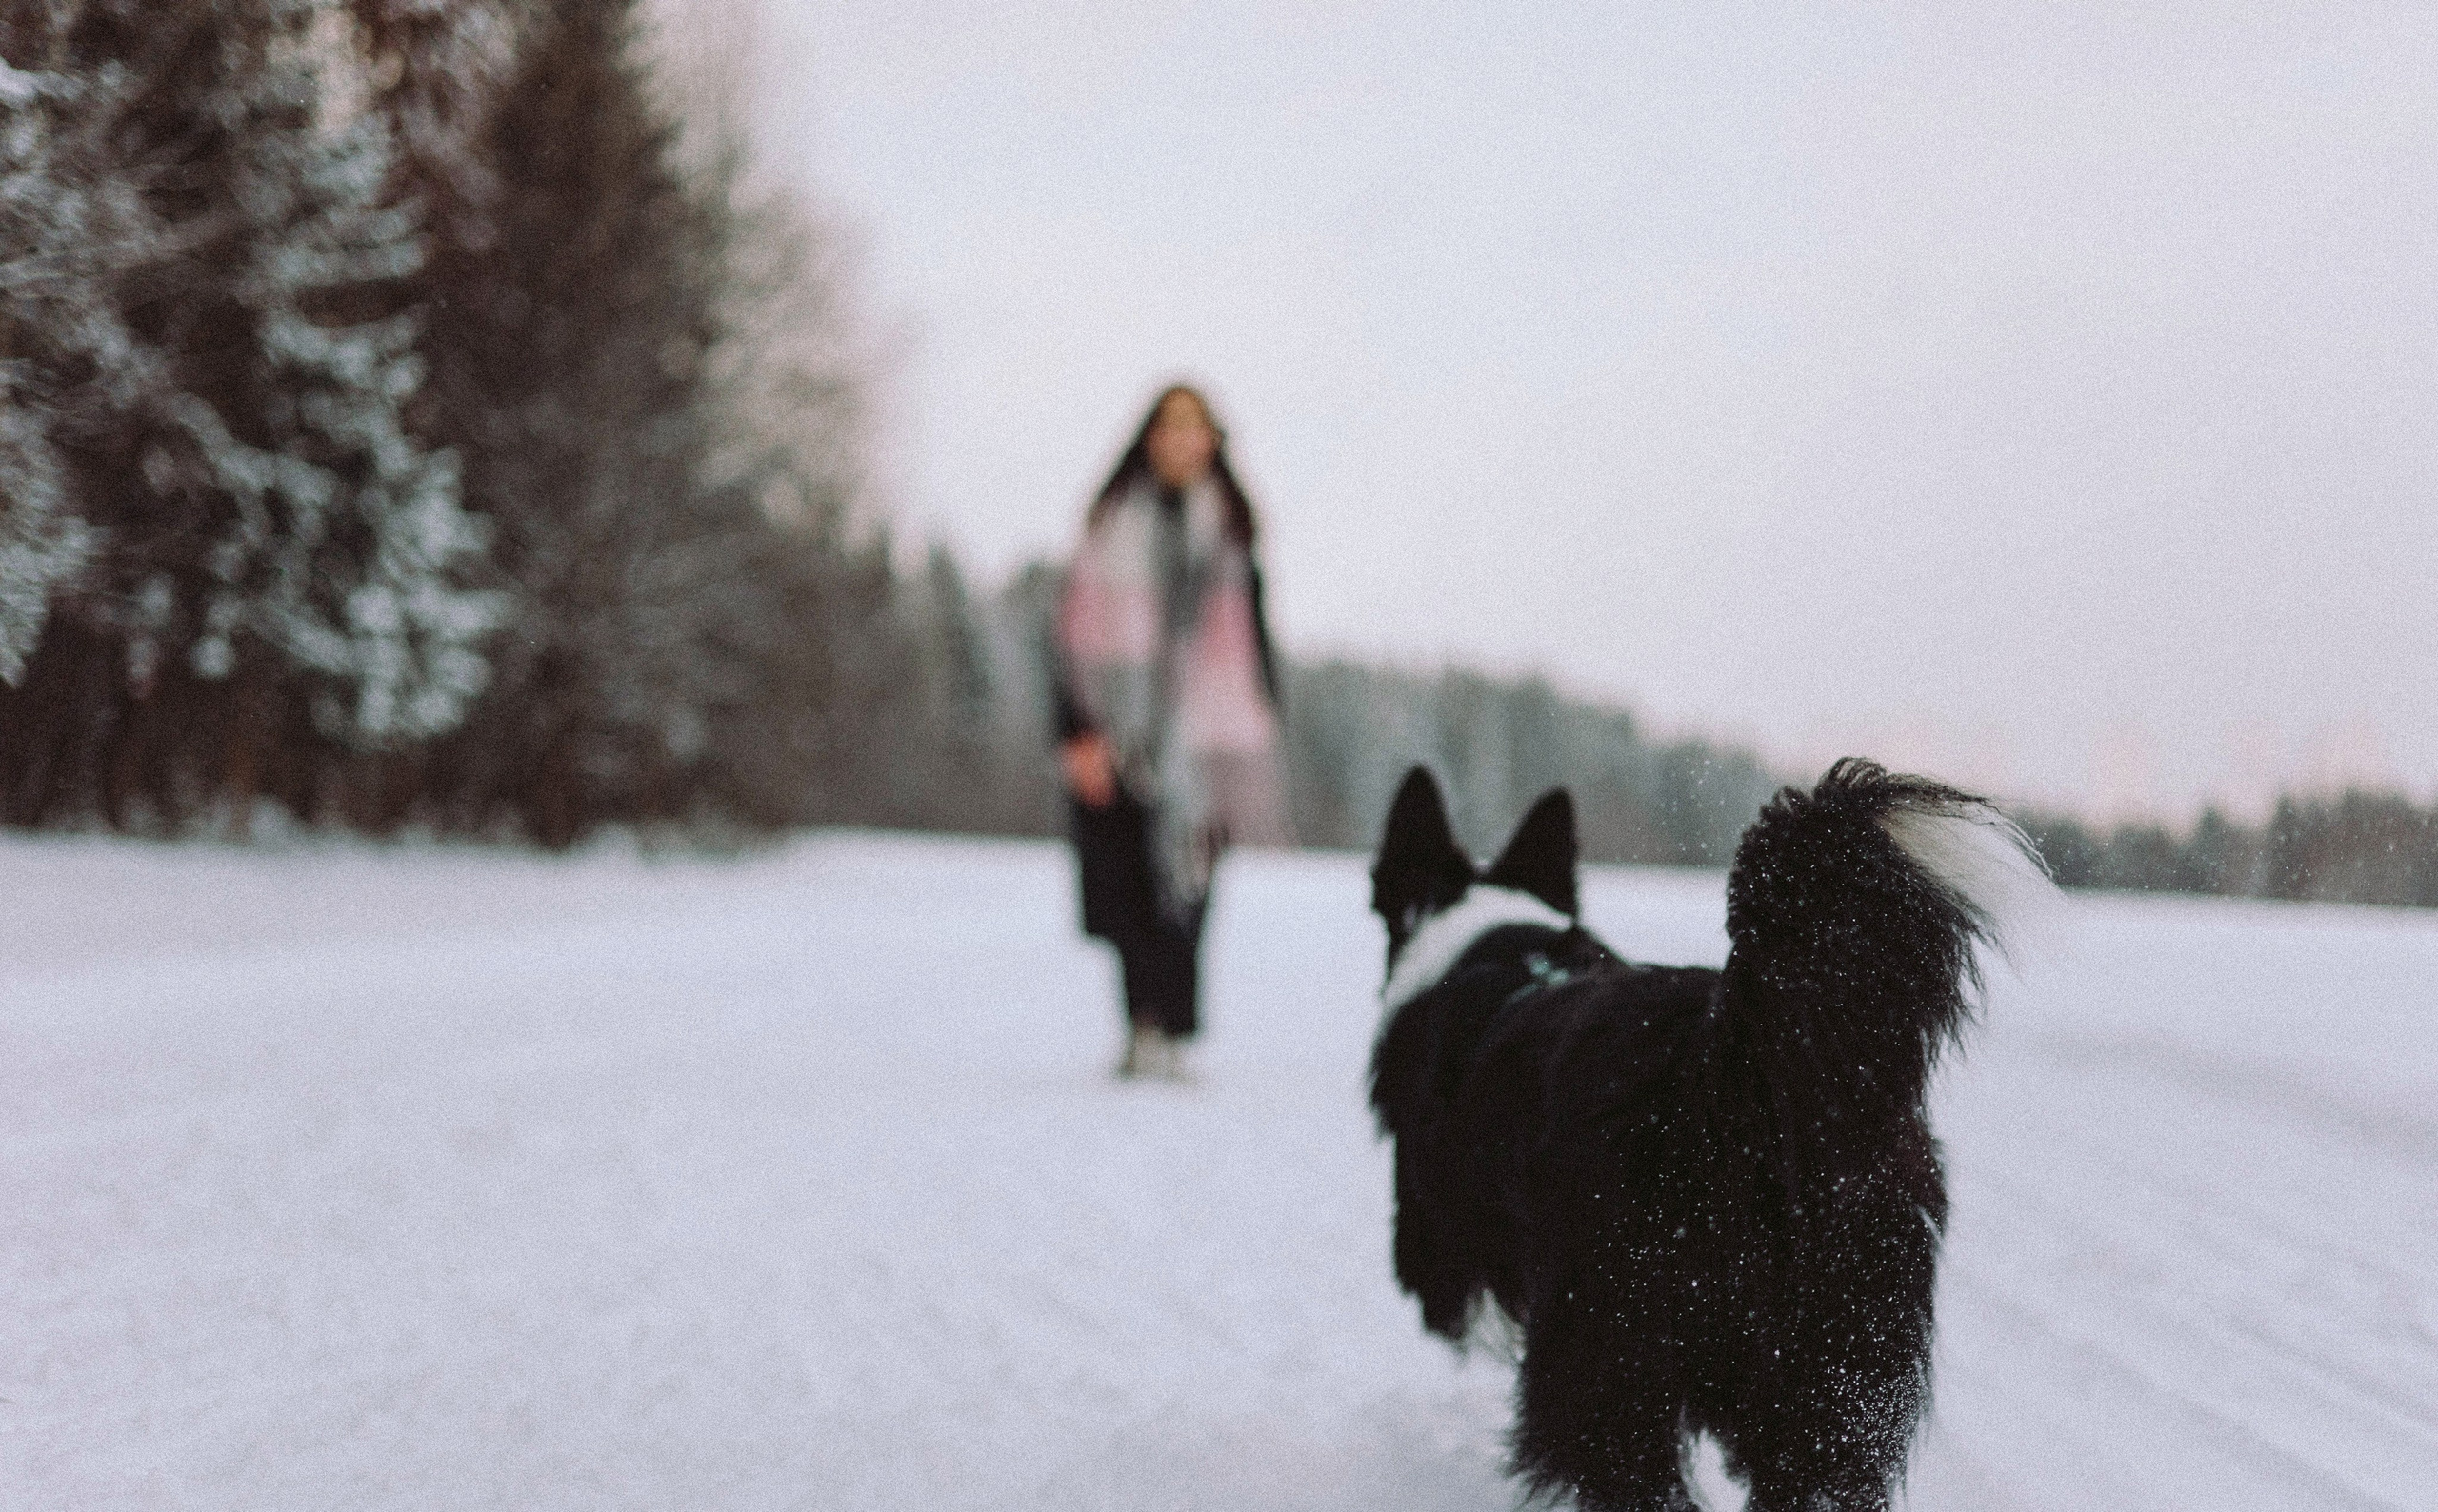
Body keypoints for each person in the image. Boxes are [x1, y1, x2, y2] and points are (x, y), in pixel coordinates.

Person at [1052, 384, 1289, 1081]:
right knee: (1127, 876)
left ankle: (1177, 1030)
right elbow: (1071, 638)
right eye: (1169, 426)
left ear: (1214, 439)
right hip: (1122, 725)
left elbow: (1256, 639)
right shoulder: (1111, 524)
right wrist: (1077, 731)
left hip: (1213, 732)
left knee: (1193, 879)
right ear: (1148, 437)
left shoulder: (1232, 530)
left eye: (1195, 427)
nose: (1182, 439)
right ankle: (1141, 1027)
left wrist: (1262, 725)